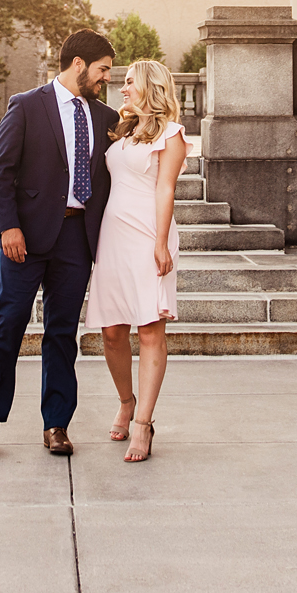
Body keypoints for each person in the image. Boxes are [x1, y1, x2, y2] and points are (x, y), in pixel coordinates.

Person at [0, 29, 116, 456]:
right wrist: (8, 227)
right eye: (102, 70)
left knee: (61, 333)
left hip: (77, 238)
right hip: (27, 237)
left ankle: (56, 425)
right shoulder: (27, 105)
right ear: (78, 64)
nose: (105, 78)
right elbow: (1, 172)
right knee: (8, 325)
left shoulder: (106, 117)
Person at [85, 57, 188, 463]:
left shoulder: (173, 134)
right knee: (112, 331)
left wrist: (161, 243)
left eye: (129, 82)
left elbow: (165, 190)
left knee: (149, 331)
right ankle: (125, 401)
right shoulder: (122, 130)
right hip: (113, 236)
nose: (122, 88)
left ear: (149, 86)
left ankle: (143, 423)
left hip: (149, 235)